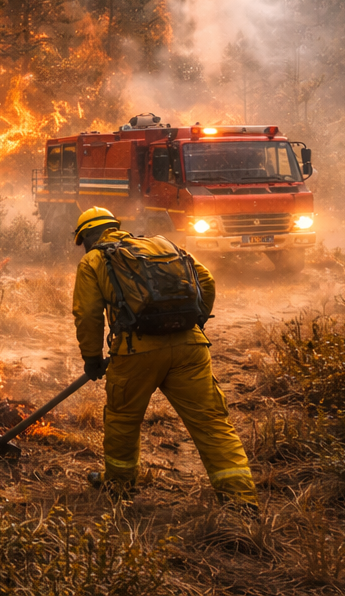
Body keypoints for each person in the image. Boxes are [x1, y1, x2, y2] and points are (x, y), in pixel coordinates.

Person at [70, 206, 257, 507]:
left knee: (123, 420)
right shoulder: (163, 245)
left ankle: (119, 487)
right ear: (116, 226)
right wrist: (194, 321)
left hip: (135, 351)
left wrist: (91, 358)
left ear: (88, 236)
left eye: (83, 241)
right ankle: (242, 501)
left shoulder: (94, 260)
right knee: (211, 423)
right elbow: (206, 280)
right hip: (190, 348)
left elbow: (87, 314)